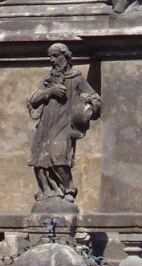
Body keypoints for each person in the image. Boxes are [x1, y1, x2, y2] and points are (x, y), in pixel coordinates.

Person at [27, 43, 101, 202]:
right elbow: (33, 99)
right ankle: (48, 192)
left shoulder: (76, 78)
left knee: (58, 157)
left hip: (64, 124)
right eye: (50, 56)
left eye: (55, 56)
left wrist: (89, 102)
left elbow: (95, 98)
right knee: (40, 162)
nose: (52, 60)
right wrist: (50, 91)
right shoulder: (48, 79)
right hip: (46, 125)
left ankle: (67, 190)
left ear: (65, 56)